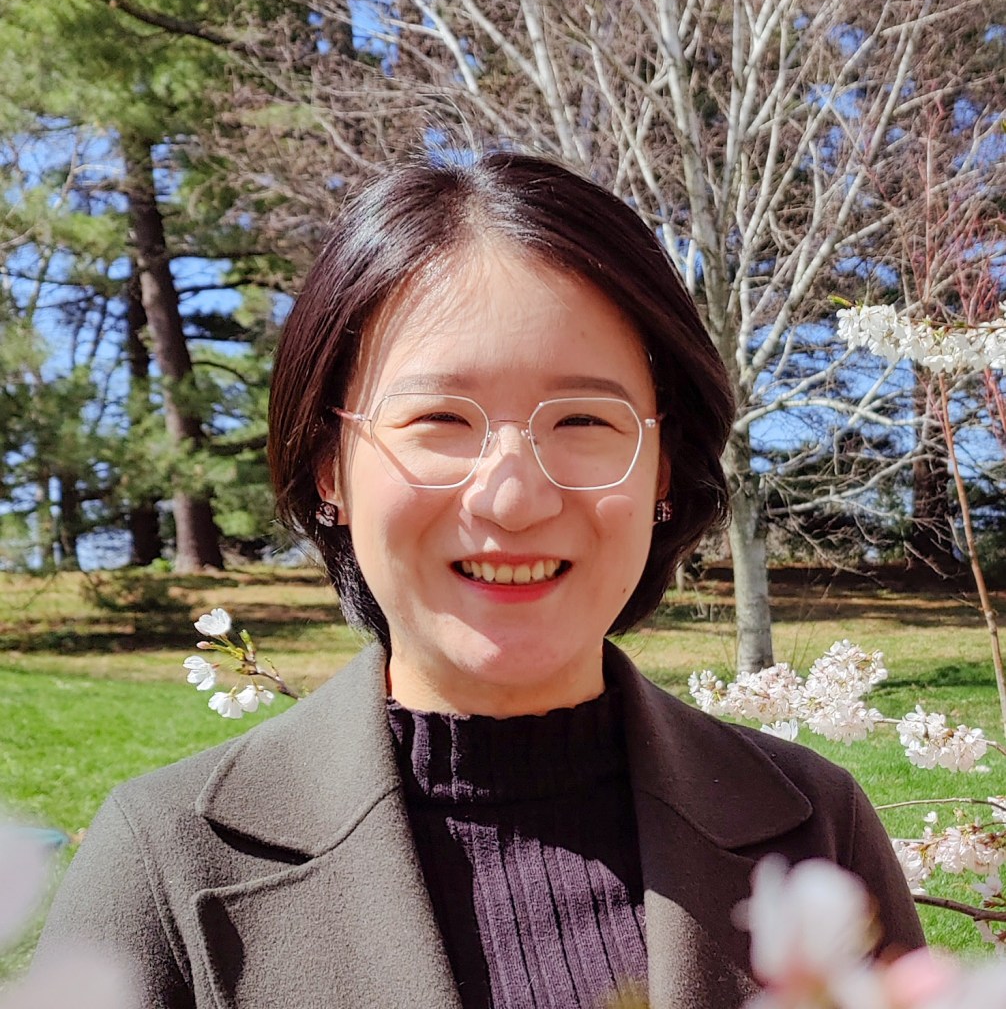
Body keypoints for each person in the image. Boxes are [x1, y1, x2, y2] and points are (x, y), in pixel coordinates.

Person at [35, 152, 924, 1009]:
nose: (513, 498)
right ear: (329, 467)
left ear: (662, 468)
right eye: (439, 418)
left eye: (584, 419)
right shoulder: (165, 862)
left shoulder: (815, 827)